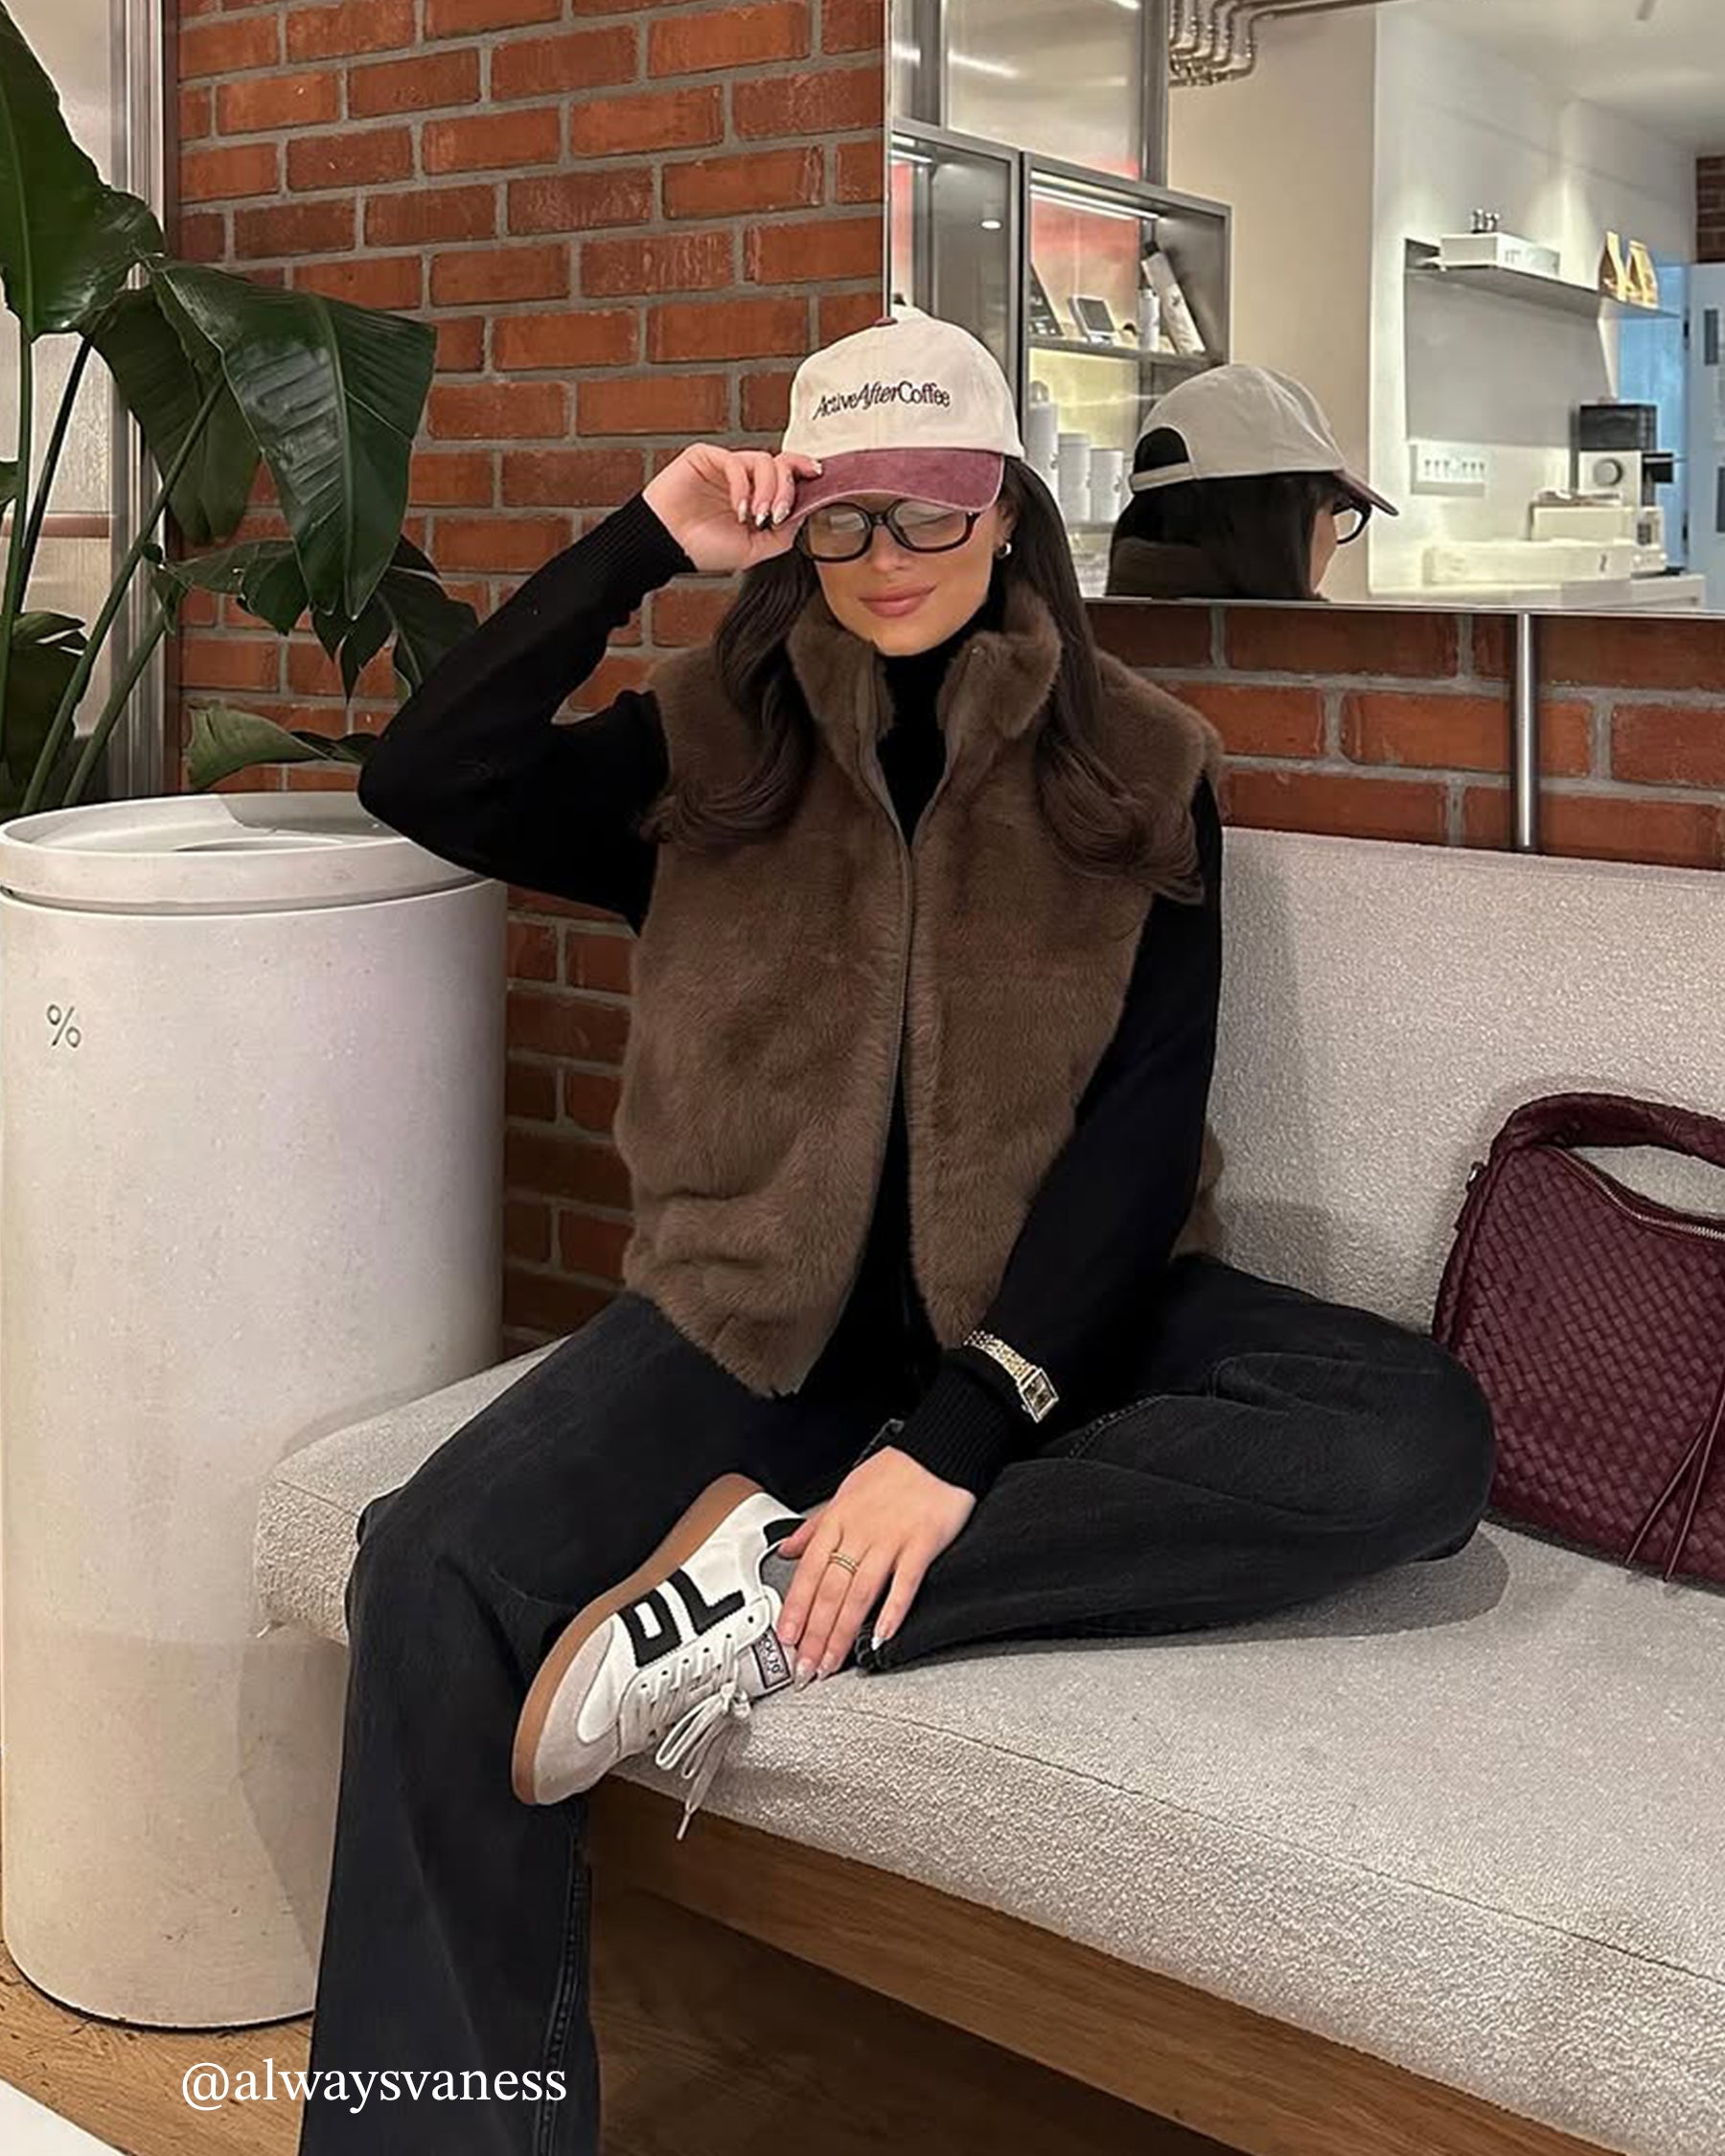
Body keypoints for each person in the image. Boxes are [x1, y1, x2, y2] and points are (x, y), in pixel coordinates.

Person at [298, 307, 1492, 2155]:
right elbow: (425, 776)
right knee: (433, 1565)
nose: (887, 558)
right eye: (843, 517)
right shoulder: (712, 749)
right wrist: (645, 539)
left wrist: (956, 1438)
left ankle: (766, 1601)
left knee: (1409, 1435)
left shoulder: (1141, 766)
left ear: (1005, 510)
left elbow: (1140, 1133)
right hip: (752, 1317)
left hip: (1058, 1322)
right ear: (797, 527)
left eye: (930, 511)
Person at [1106, 362, 1398, 601]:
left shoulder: (1101, 634)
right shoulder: (1296, 649)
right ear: (1279, 521)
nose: (1334, 540)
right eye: (1334, 507)